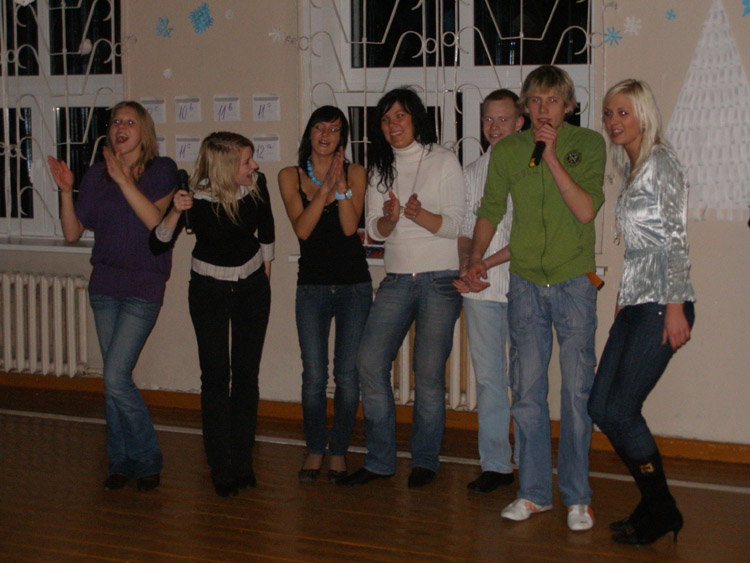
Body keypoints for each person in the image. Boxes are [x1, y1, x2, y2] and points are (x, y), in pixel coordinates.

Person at [466, 65, 605, 530]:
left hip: (574, 282)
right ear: (526, 106)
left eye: (553, 101)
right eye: (536, 101)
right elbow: (490, 209)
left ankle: (578, 497)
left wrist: (551, 156)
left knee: (577, 391)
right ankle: (533, 493)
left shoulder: (588, 145)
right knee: (526, 391)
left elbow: (584, 211)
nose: (544, 109)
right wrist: (476, 258)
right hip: (525, 282)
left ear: (568, 106)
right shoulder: (508, 151)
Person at [338, 87, 464, 489]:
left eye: (400, 116)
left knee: (428, 374)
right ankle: (380, 461)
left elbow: (456, 225)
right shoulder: (381, 167)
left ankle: (425, 460)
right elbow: (374, 230)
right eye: (386, 119)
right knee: (369, 363)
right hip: (396, 279)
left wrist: (420, 215)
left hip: (439, 279)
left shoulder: (443, 160)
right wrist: (391, 219)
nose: (393, 125)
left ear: (416, 119)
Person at [48, 101, 177, 492]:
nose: (121, 126)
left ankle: (148, 459)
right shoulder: (96, 174)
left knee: (116, 377)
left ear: (144, 131)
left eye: (130, 121)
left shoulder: (162, 169)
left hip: (143, 286)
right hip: (105, 286)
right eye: (116, 121)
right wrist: (66, 192)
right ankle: (120, 461)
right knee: (113, 380)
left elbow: (156, 223)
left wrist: (124, 180)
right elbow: (72, 233)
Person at [588, 79, 695, 545]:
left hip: (662, 303)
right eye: (609, 113)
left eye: (623, 112)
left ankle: (660, 508)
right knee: (600, 406)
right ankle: (657, 505)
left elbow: (675, 240)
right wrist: (622, 298)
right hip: (637, 302)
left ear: (644, 115)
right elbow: (638, 248)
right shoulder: (633, 168)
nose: (613, 121)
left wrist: (675, 306)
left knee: (622, 409)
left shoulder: (660, 163)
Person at [151, 132, 274, 497]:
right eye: (247, 161)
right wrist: (176, 209)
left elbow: (267, 231)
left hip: (251, 287)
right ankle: (220, 464)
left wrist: (264, 278)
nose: (255, 166)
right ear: (224, 167)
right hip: (209, 291)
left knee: (247, 375)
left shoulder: (256, 186)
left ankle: (243, 461)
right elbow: (157, 243)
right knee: (216, 377)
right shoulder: (193, 196)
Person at [278, 106, 372, 484]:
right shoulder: (289, 175)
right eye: (320, 127)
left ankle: (338, 450)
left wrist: (342, 185)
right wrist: (324, 191)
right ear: (309, 133)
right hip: (312, 287)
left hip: (354, 287)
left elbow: (350, 227)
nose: (325, 135)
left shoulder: (356, 172)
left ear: (342, 139)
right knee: (314, 376)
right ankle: (316, 446)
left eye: (334, 130)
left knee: (347, 376)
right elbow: (303, 229)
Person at [455, 89, 524, 493]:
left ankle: (529, 462)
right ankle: (496, 465)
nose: (494, 127)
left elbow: (530, 236)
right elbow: (465, 231)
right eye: (488, 119)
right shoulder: (471, 173)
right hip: (480, 293)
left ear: (520, 122)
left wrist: (484, 262)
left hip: (523, 287)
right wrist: (467, 265)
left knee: (525, 381)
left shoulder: (534, 168)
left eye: (503, 119)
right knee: (489, 381)